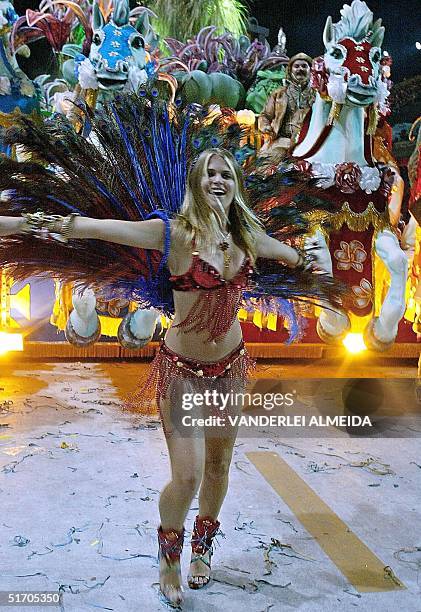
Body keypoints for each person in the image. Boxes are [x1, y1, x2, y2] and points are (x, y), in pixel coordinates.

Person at [0, 147, 315, 608]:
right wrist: (42, 225)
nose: (218, 180)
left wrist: (316, 264)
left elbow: (295, 258)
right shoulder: (174, 234)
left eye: (226, 174)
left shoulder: (249, 238)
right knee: (186, 477)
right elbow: (96, 228)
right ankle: (169, 557)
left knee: (219, 466)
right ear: (195, 182)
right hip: (182, 371)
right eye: (209, 174)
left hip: (231, 368)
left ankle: (202, 549)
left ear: (237, 184)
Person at [258, 53, 315, 166]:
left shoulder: (317, 96)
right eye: (297, 66)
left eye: (304, 66)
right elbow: (265, 115)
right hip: (279, 140)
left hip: (307, 143)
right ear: (290, 70)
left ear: (310, 70)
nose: (300, 69)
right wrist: (266, 126)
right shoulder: (279, 94)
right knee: (263, 166)